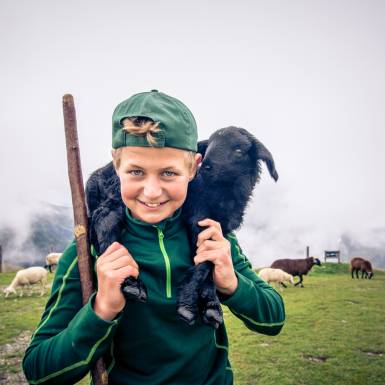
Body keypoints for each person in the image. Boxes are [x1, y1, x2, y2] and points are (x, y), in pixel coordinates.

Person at [23, 90, 285, 385]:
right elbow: (38, 371)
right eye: (135, 171)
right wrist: (102, 309)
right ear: (116, 165)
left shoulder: (212, 238)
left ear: (194, 167)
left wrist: (232, 284)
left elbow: (274, 318)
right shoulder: (89, 252)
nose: (151, 191)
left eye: (169, 173)